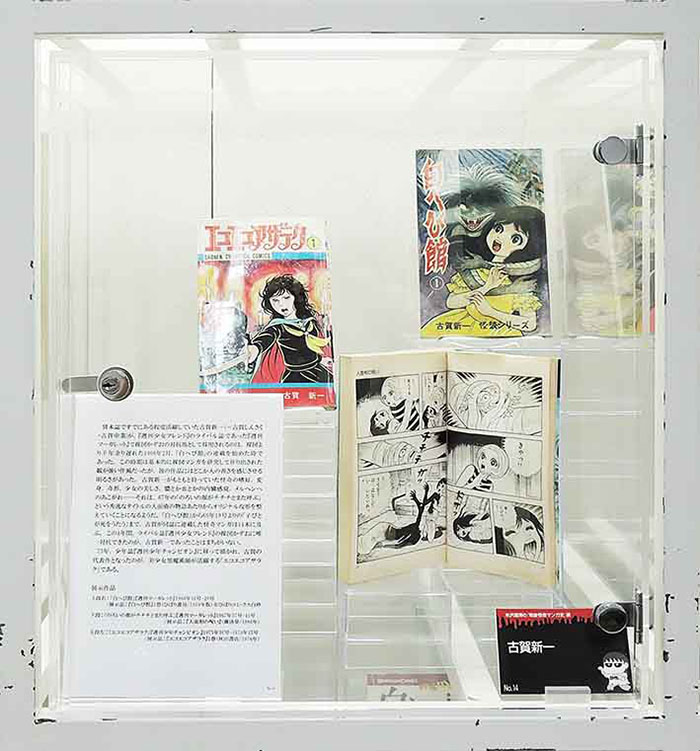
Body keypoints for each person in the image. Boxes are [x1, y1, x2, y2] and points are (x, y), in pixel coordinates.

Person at [422, 205, 547, 337]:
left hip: (501, 334)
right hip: (461, 327)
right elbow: (451, 302)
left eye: (515, 239)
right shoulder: (476, 270)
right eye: (498, 229)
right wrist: (487, 287)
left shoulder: (522, 282)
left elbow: (529, 324)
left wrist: (490, 312)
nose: (500, 237)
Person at [247, 275, 333, 384]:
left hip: (318, 371)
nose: (281, 304)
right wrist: (254, 348)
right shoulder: (277, 326)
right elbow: (265, 338)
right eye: (275, 300)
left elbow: (310, 348)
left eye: (286, 298)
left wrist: (321, 360)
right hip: (296, 377)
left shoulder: (309, 321)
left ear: (295, 297)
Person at [357, 479, 446, 560]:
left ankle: (359, 549)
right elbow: (421, 507)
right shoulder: (417, 534)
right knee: (369, 539)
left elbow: (398, 545)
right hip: (389, 531)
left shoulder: (416, 534)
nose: (426, 527)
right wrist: (420, 496)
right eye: (440, 485)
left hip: (389, 531)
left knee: (369, 539)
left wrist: (424, 493)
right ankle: (359, 548)